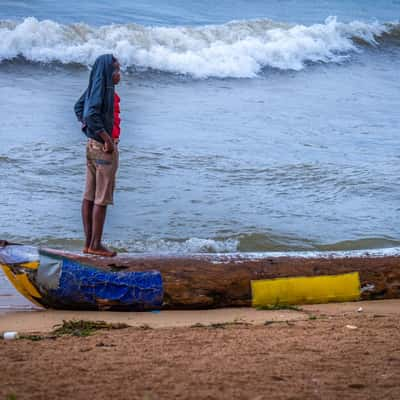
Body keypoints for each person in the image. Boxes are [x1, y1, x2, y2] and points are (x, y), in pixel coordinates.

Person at [74, 54, 121, 257]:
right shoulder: (104, 89)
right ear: (109, 72)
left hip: (92, 146)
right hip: (103, 148)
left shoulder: (95, 86)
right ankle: (95, 245)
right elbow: (90, 113)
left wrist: (89, 132)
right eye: (117, 70)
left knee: (90, 195)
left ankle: (88, 244)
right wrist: (106, 139)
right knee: (101, 198)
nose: (119, 74)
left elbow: (79, 108)